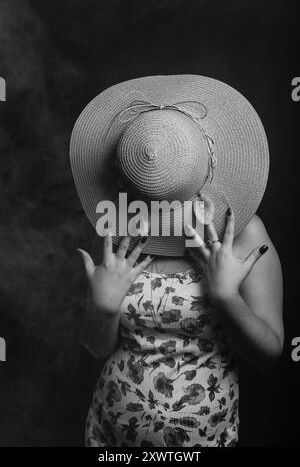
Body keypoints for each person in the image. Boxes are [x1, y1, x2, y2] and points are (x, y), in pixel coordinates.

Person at [70, 74, 284, 447]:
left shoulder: (243, 233)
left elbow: (269, 355)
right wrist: (102, 309)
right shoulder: (115, 226)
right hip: (108, 436)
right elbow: (96, 346)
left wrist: (226, 298)